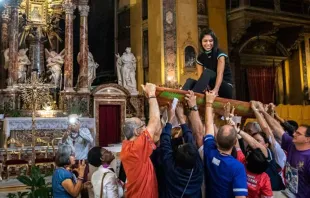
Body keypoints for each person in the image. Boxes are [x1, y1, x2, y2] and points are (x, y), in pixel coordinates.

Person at [120, 83, 161, 198]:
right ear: (137, 132)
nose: (145, 127)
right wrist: (152, 95)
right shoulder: (135, 148)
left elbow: (156, 134)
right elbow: (154, 121)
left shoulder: (129, 145)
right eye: (143, 125)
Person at [203, 91, 247, 197]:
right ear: (235, 142)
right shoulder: (238, 167)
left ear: (216, 140)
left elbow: (208, 125)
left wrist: (209, 103)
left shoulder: (209, 152)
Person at [259, 107, 310, 198]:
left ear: (307, 139)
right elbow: (277, 128)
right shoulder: (292, 144)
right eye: (295, 132)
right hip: (287, 192)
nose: (294, 134)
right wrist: (262, 111)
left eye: (298, 134)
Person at [159, 104, 203, 197]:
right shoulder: (198, 168)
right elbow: (166, 142)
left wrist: (171, 118)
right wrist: (181, 119)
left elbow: (165, 142)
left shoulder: (171, 167)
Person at [183, 29, 233, 98]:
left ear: (214, 41)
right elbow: (201, 77)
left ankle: (193, 98)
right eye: (205, 41)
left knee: (207, 72)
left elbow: (220, 74)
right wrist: (205, 88)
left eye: (211, 41)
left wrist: (216, 90)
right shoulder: (200, 58)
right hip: (211, 86)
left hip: (225, 87)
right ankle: (177, 101)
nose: (208, 43)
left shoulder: (220, 54)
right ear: (201, 42)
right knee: (189, 81)